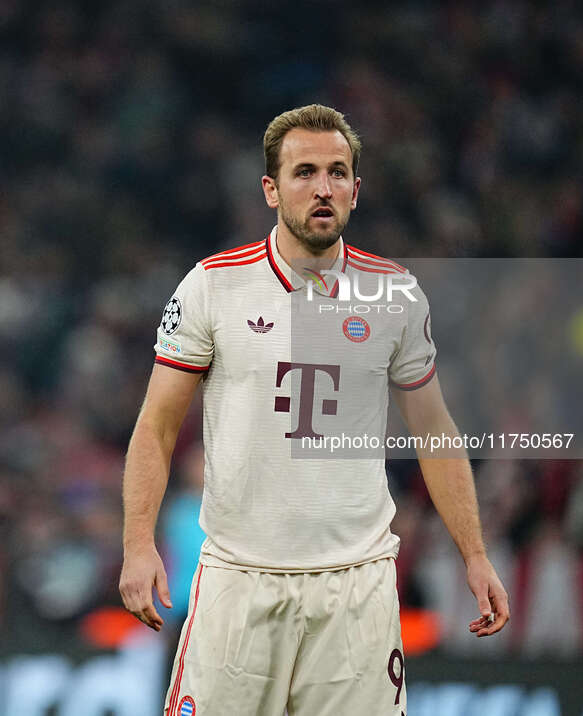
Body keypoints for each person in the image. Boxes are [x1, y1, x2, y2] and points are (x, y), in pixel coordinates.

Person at [119, 104, 509, 716]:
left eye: (337, 171)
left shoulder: (396, 294)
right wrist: (138, 543)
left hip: (356, 589)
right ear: (272, 190)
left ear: (357, 187)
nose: (323, 187)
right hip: (238, 581)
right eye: (304, 172)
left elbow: (434, 431)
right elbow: (157, 426)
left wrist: (476, 554)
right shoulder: (210, 286)